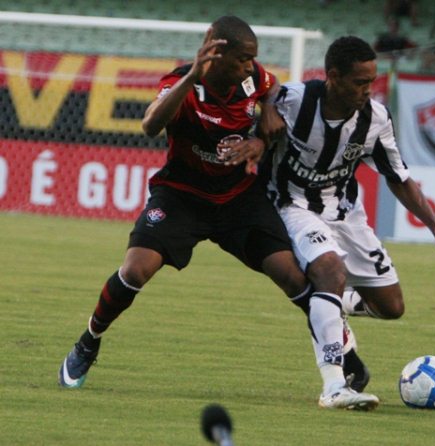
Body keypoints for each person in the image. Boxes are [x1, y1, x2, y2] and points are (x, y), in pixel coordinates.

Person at [57, 16, 376, 411]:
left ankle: (342, 353)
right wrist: (191, 75)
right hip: (182, 196)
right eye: (243, 59)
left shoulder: (252, 79)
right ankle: (89, 340)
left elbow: (272, 87)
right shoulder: (180, 84)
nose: (249, 66)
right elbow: (151, 125)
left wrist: (266, 118)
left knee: (293, 276)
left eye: (252, 60)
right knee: (135, 271)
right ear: (218, 53)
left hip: (238, 198)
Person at [259, 36, 435, 410]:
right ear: (333, 77)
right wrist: (264, 107)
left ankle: (329, 303)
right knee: (328, 270)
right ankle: (335, 385)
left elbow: (399, 178)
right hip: (292, 206)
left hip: (345, 213)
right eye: (360, 82)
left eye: (370, 82)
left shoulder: (375, 119)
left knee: (391, 306)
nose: (366, 91)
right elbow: (257, 88)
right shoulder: (294, 102)